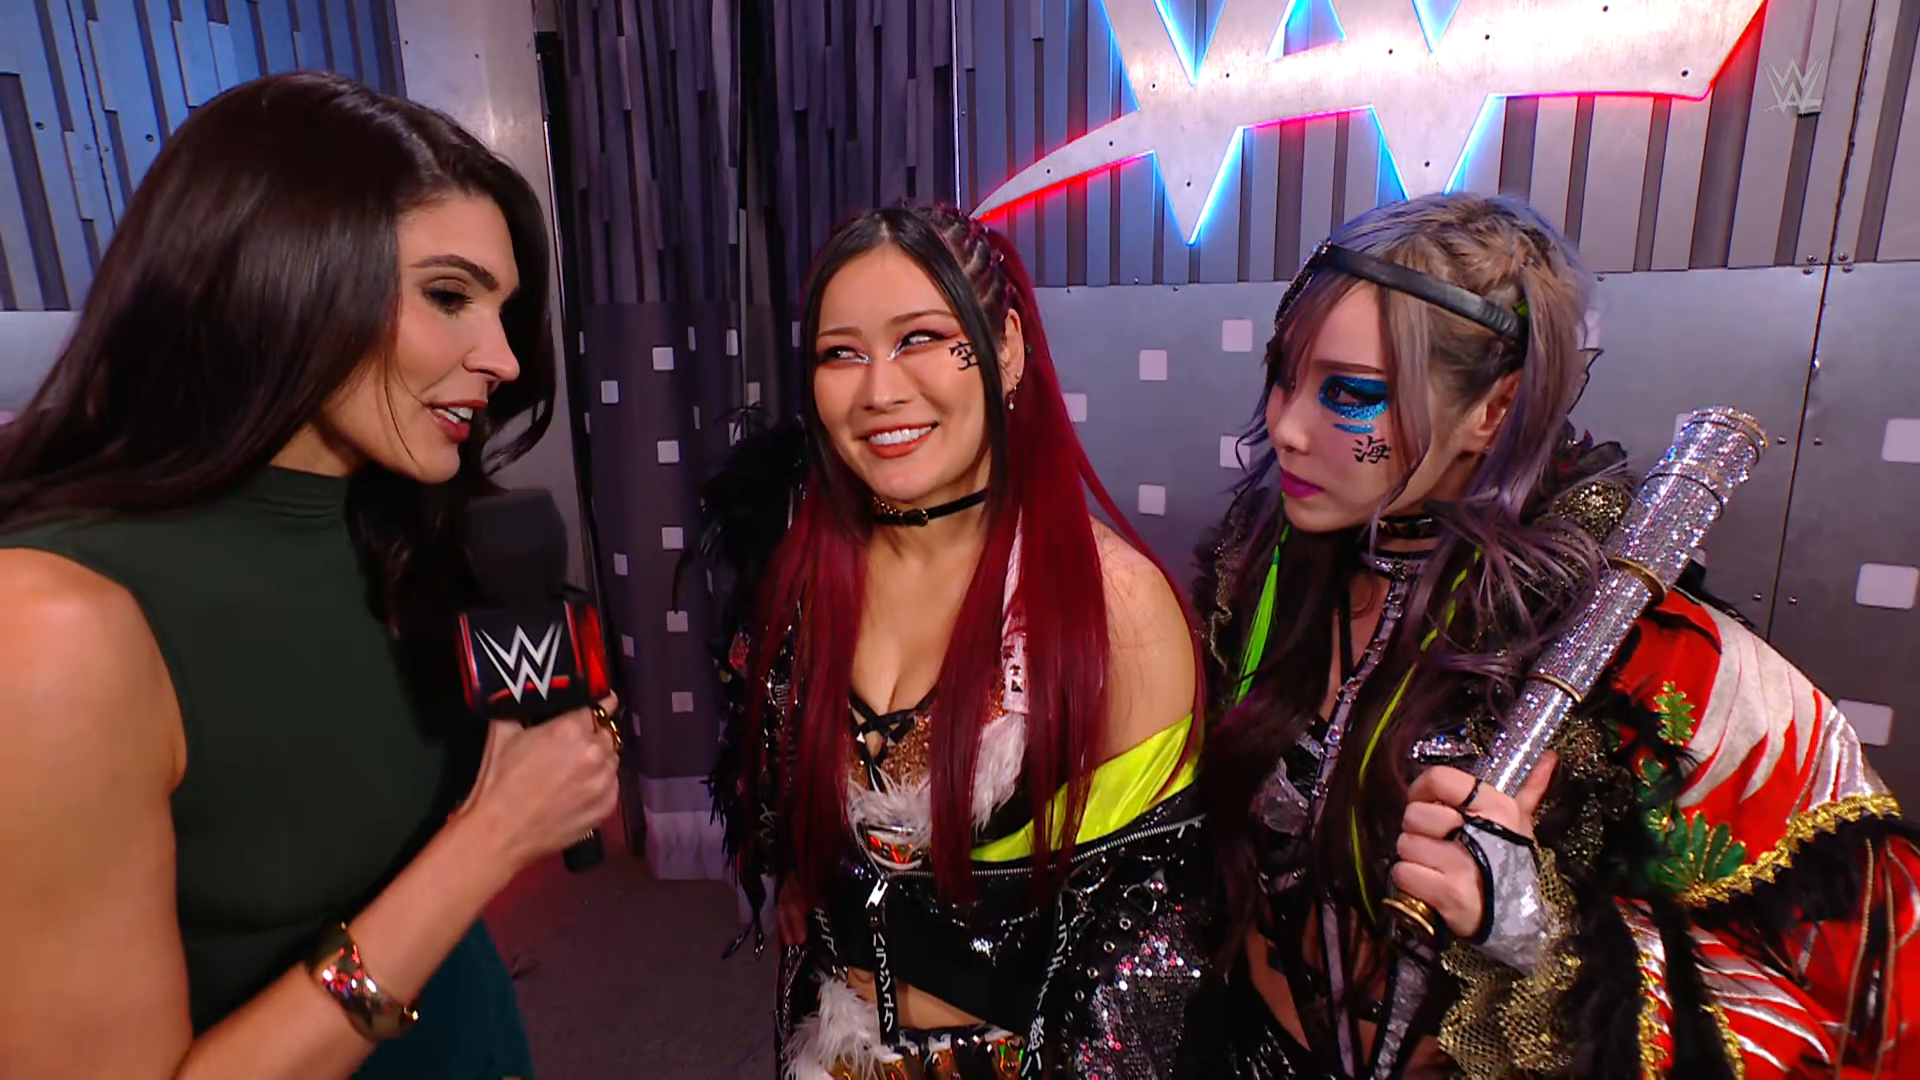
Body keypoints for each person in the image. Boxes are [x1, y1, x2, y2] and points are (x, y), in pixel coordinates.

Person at [1186, 191, 1920, 1078]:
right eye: (1284, 374)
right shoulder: (1258, 571)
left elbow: (1846, 992)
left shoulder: (1641, 650)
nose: (1286, 428)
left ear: (1493, 411)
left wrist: (1535, 933)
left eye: (1351, 394)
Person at [0, 72, 620, 1080]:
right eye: (449, 296)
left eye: (503, 311)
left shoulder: (398, 522)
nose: (505, 359)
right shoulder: (51, 625)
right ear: (280, 272)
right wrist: (493, 838)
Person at [695, 203, 1207, 1079]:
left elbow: (1153, 951)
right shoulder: (799, 581)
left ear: (1006, 349)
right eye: (841, 354)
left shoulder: (1110, 607)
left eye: (921, 338)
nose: (880, 392)